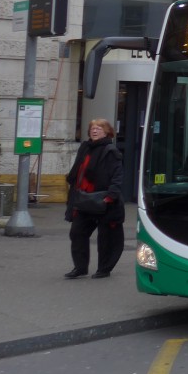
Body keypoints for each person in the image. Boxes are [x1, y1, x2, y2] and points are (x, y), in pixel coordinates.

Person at [64, 118, 125, 279]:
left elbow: (117, 176)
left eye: (99, 128)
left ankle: (104, 269)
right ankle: (80, 267)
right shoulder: (85, 148)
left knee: (107, 238)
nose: (95, 130)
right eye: (92, 128)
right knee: (77, 233)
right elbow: (77, 173)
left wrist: (110, 196)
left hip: (104, 201)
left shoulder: (110, 150)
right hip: (84, 200)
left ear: (107, 132)